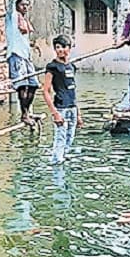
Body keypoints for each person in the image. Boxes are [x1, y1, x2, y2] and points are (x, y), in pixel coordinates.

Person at [42, 35, 82, 165]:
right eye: (57, 47)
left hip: (72, 107)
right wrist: (55, 113)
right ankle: (56, 165)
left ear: (69, 48)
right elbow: (46, 91)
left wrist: (78, 114)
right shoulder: (52, 67)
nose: (60, 50)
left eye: (63, 47)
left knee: (70, 138)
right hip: (61, 108)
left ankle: (62, 160)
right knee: (60, 138)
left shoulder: (72, 67)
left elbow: (72, 91)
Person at [6, 0, 39, 125]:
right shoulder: (12, 16)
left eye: (27, 5)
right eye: (22, 5)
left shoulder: (24, 21)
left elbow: (22, 39)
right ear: (16, 5)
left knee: (34, 85)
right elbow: (10, 0)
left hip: (26, 57)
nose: (25, 7)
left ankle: (27, 112)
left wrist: (32, 46)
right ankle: (24, 114)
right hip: (16, 55)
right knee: (22, 86)